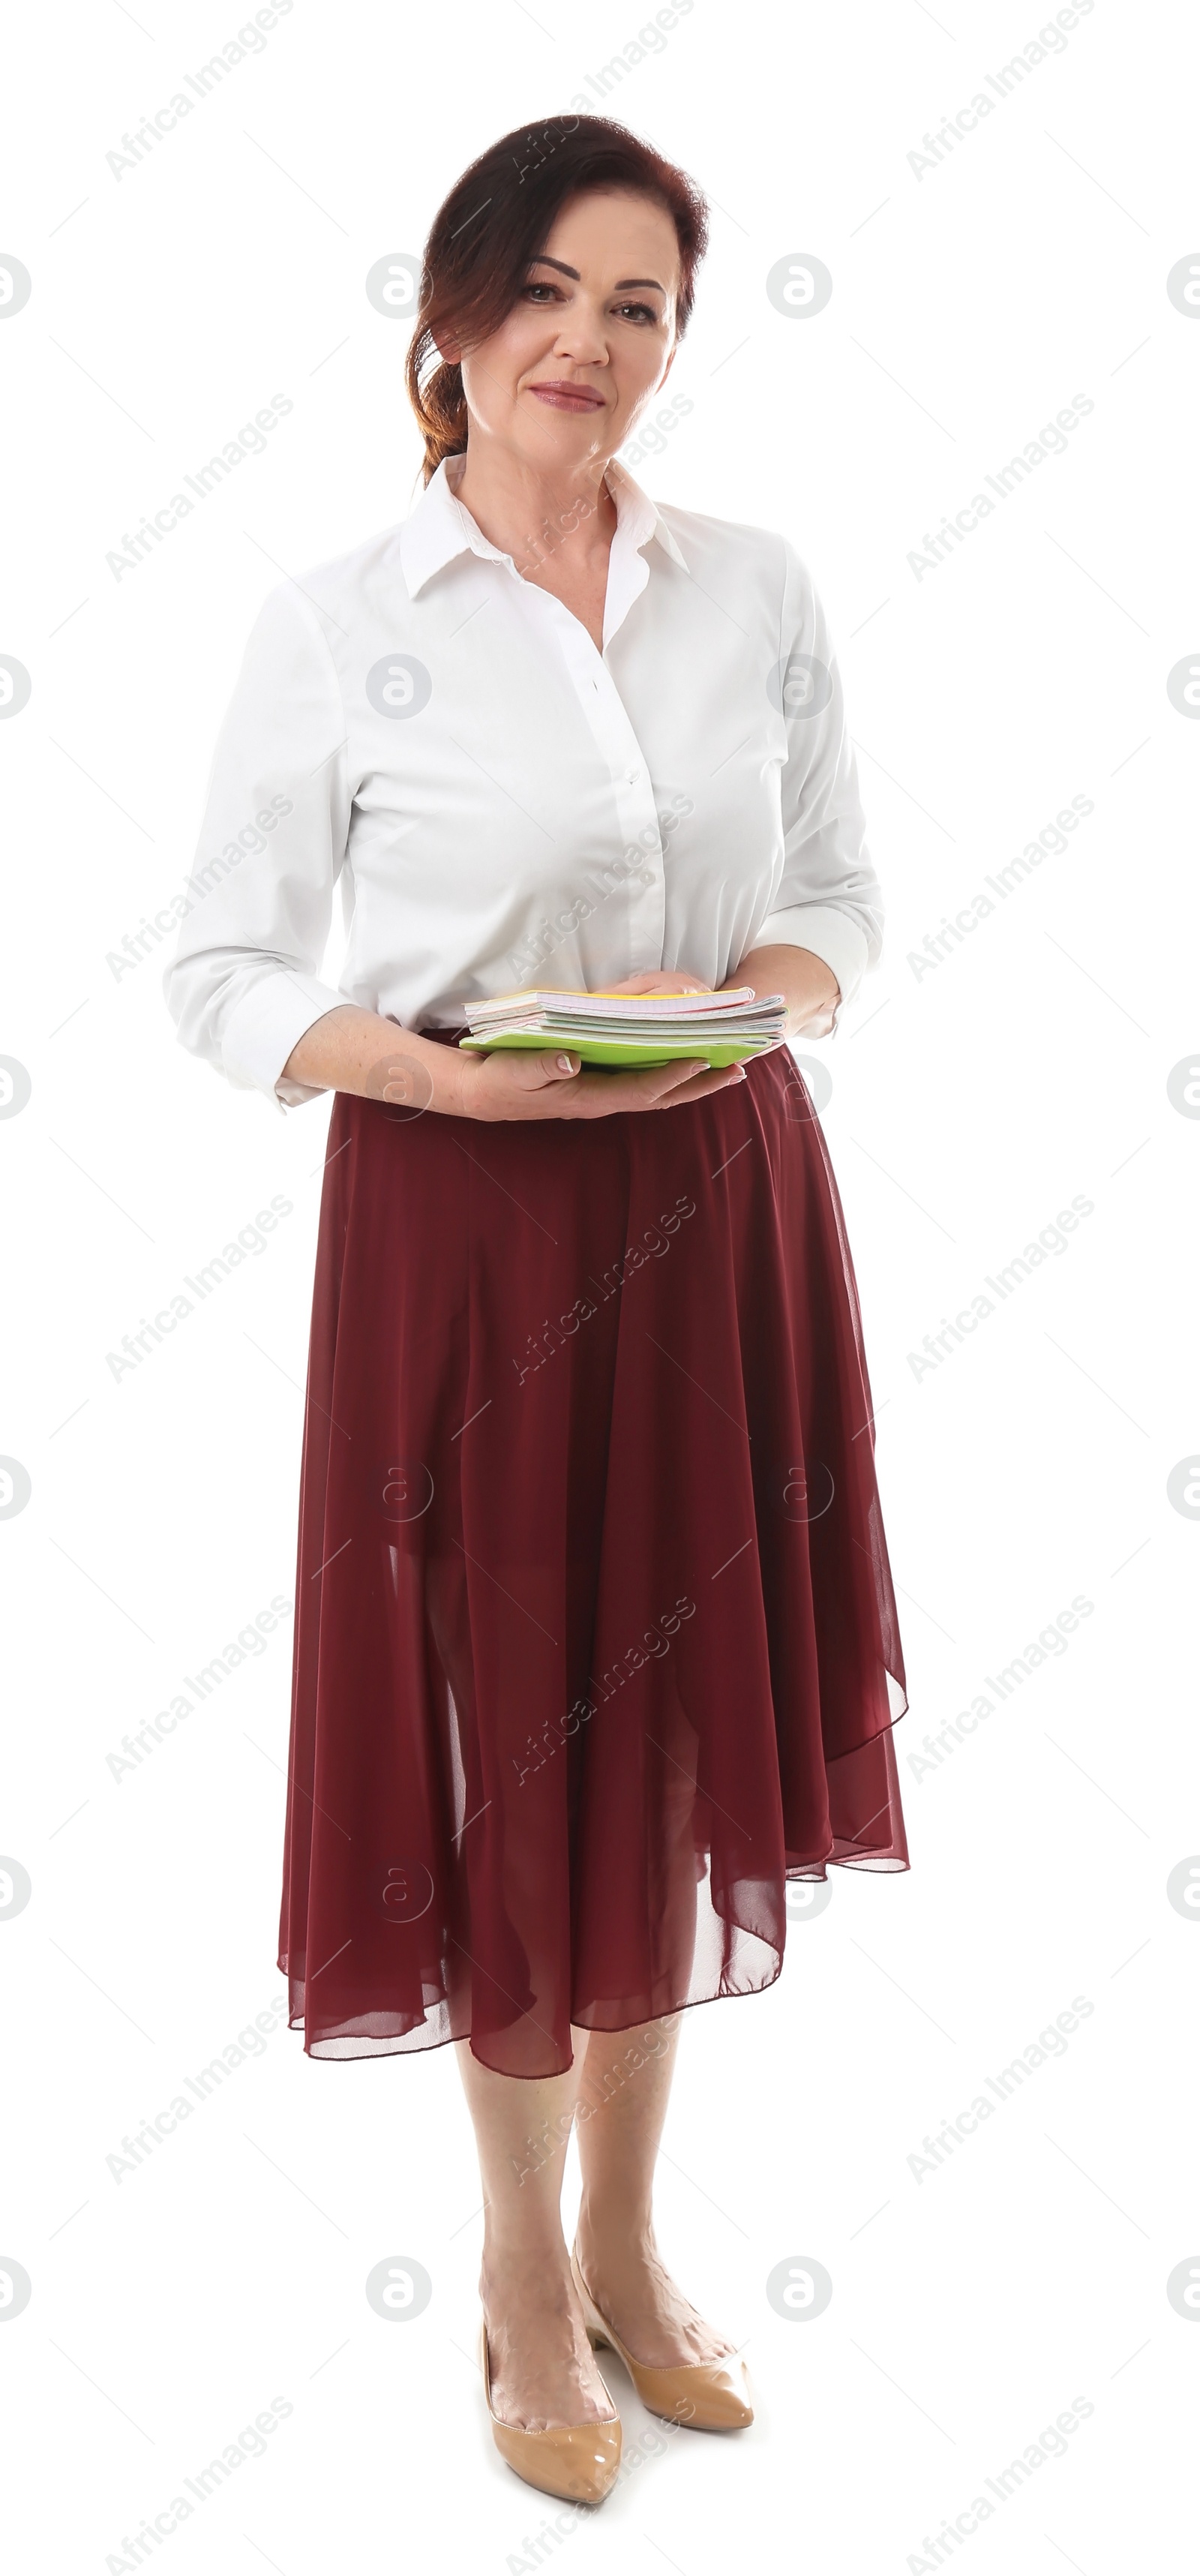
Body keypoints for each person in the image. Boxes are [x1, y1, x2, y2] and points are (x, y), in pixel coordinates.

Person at [163, 112, 909, 2508]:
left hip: (715, 1196)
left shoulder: (752, 586)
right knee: (504, 1737)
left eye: (646, 307)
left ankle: (625, 2226)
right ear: (458, 314)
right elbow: (218, 978)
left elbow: (845, 905)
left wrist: (750, 997)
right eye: (558, 294)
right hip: (459, 1231)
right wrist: (440, 1078)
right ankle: (508, 2266)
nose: (596, 344)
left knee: (680, 1719)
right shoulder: (337, 621)